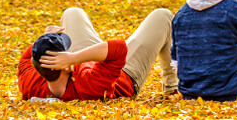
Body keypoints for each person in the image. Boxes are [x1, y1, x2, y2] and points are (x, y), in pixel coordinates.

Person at [18, 7, 178, 101]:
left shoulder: (29, 82)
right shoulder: (89, 86)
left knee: (72, 12)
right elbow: (118, 49)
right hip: (123, 71)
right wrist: (73, 57)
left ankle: (72, 50)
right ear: (66, 66)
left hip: (85, 56)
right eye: (66, 49)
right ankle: (172, 86)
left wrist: (47, 38)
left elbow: (28, 56)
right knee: (163, 16)